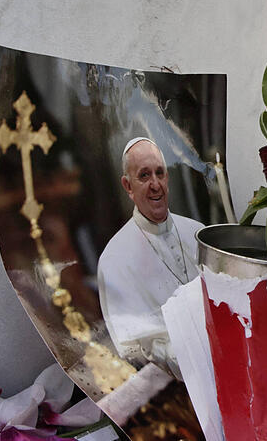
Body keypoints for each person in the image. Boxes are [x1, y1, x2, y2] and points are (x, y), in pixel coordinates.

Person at [98, 137, 204, 379]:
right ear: (128, 186)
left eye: (160, 173)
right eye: (144, 176)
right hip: (175, 385)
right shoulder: (115, 259)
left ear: (168, 178)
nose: (155, 184)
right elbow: (134, 349)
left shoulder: (197, 233)